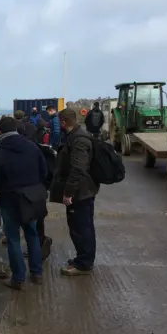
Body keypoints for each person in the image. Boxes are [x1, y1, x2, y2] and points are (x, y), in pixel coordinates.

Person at [0, 116, 47, 289]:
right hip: (31, 199)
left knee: (13, 239)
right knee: (32, 235)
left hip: (10, 201)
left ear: (0, 131)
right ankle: (37, 273)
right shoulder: (32, 147)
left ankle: (18, 279)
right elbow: (44, 171)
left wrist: (2, 193)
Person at [49, 108, 99, 276]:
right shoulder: (74, 137)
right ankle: (82, 259)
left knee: (81, 227)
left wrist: (68, 193)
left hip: (81, 192)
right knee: (79, 226)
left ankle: (84, 263)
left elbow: (78, 169)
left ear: (63, 122)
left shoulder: (79, 140)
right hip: (81, 190)